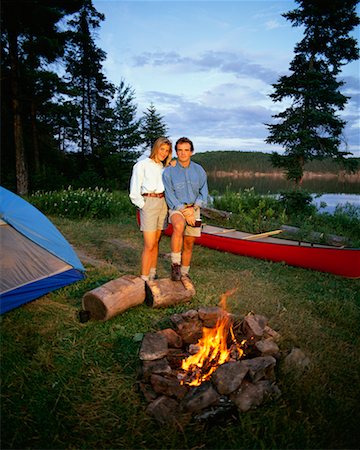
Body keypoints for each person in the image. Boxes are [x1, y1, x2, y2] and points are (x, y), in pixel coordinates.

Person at [162, 137, 208, 281]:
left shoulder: (199, 170)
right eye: (180, 150)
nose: (183, 154)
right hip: (176, 207)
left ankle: (185, 273)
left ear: (191, 152)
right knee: (179, 225)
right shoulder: (169, 171)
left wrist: (194, 208)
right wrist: (183, 210)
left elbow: (204, 192)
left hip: (194, 208)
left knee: (189, 243)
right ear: (176, 152)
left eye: (186, 150)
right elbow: (169, 194)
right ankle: (175, 264)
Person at [129, 137, 173, 282]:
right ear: (156, 148)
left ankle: (153, 273)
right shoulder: (141, 165)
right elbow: (134, 192)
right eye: (162, 149)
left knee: (156, 242)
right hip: (149, 202)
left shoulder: (163, 168)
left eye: (167, 151)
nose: (164, 153)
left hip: (162, 203)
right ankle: (144, 278)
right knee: (149, 244)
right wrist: (144, 206)